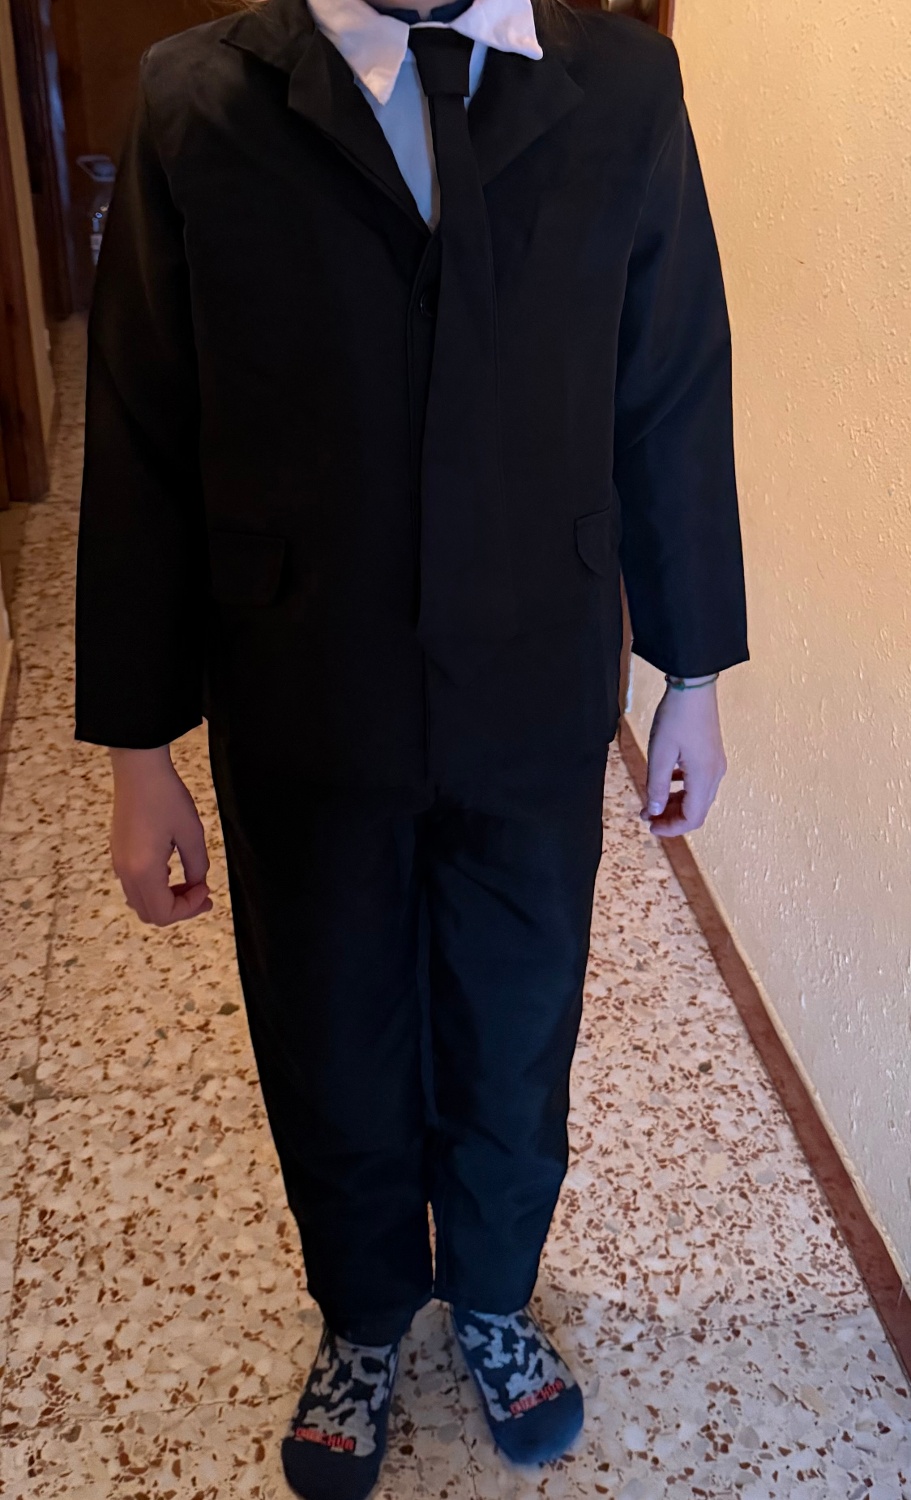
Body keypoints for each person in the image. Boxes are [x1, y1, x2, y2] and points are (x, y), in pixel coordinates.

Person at [73, 0, 750, 1494]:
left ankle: (495, 1292)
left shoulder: (624, 87)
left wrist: (692, 669)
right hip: (302, 686)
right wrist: (137, 748)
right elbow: (141, 435)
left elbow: (669, 385)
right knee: (330, 1018)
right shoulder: (198, 101)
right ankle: (367, 1310)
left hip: (533, 682)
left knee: (518, 1010)